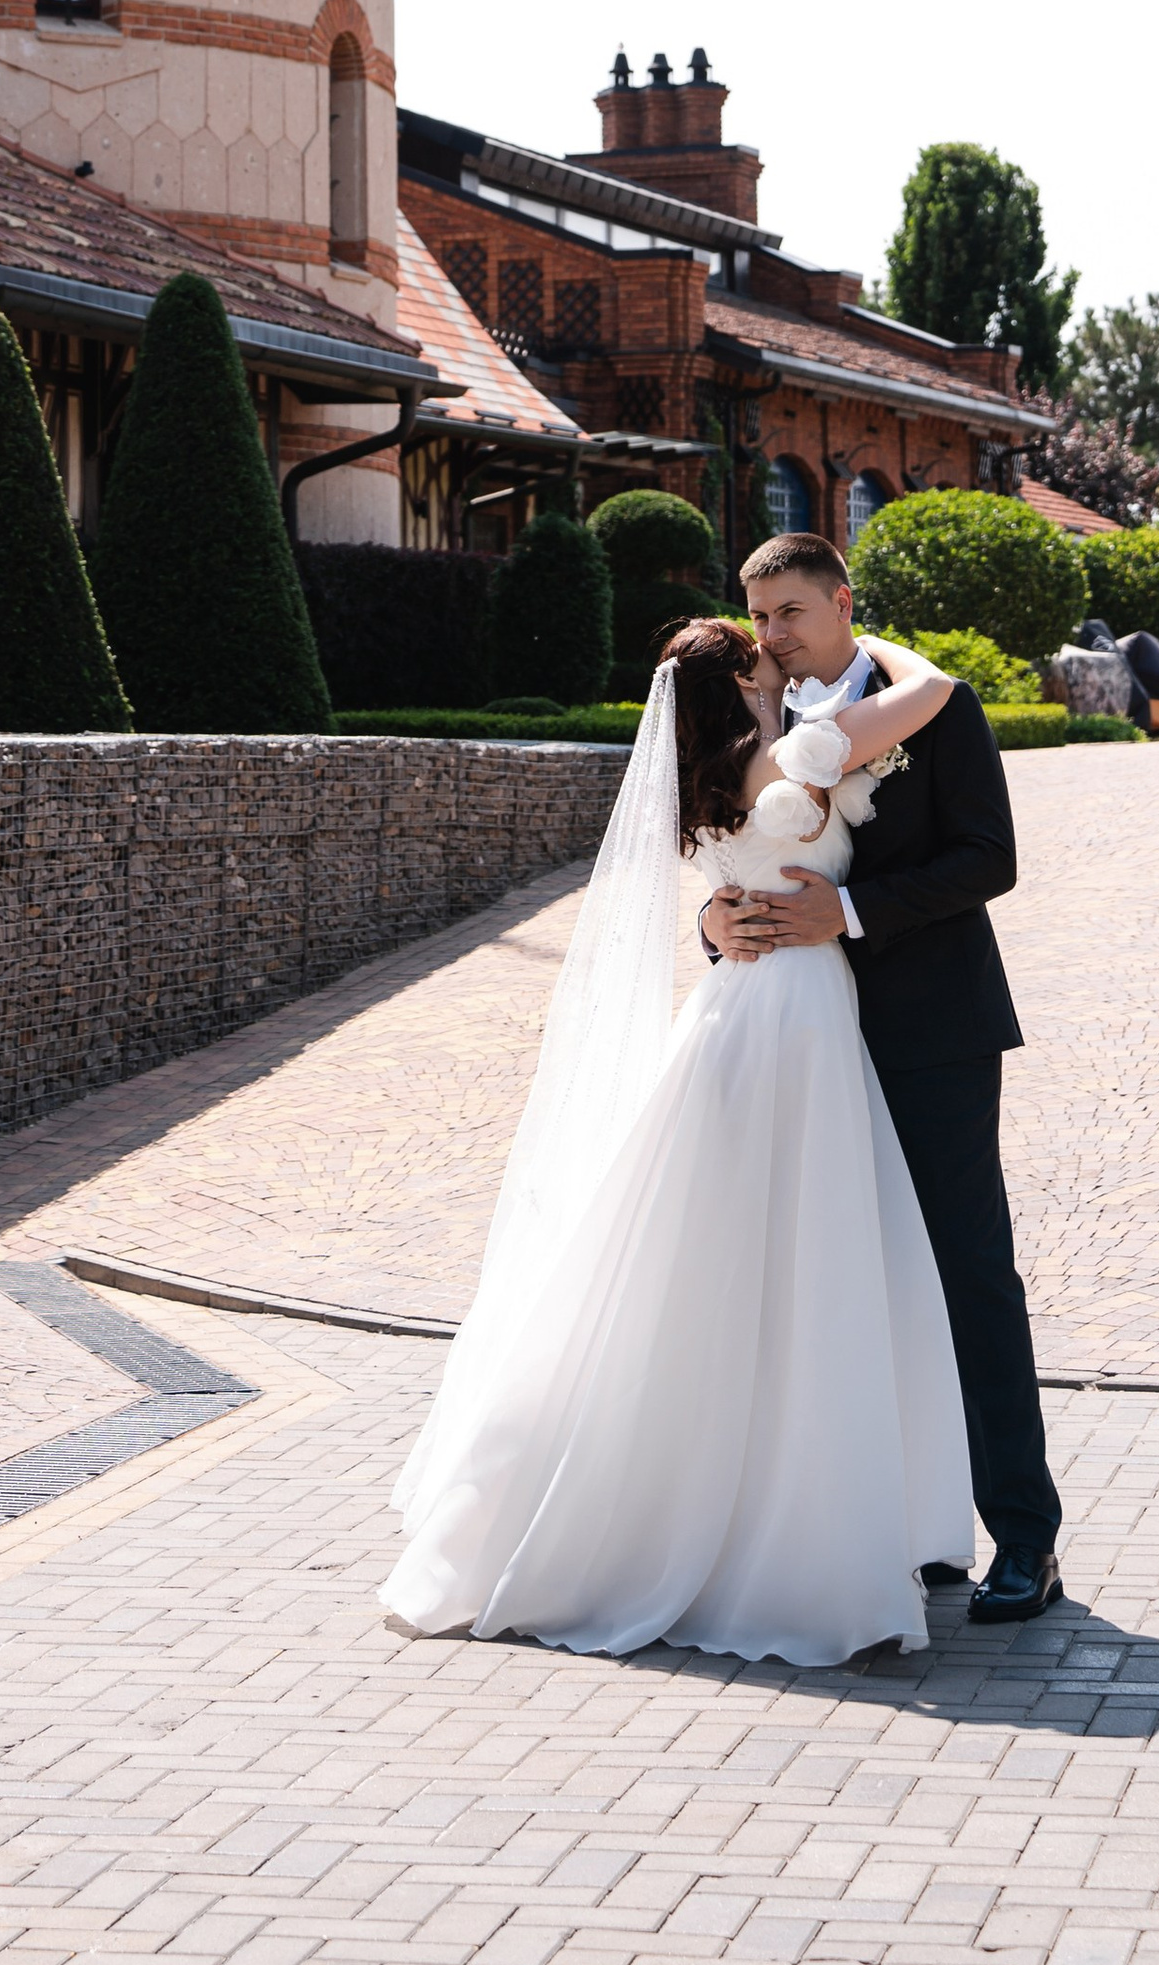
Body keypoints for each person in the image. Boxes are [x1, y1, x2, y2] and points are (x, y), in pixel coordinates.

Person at [382, 618, 973, 1665]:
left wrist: (715, 918)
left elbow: (727, 887)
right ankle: (773, 1517)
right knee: (798, 1244)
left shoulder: (703, 784)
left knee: (703, 1244)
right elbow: (934, 687)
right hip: (795, 1013)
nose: (779, 657)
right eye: (763, 651)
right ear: (740, 679)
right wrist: (876, 639)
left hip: (731, 1010)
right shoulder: (798, 753)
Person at [715, 530, 1063, 1623]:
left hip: (929, 1032)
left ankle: (1024, 1538)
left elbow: (988, 856)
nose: (771, 635)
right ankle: (907, 1527)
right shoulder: (753, 719)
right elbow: (720, 845)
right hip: (804, 1036)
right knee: (840, 1280)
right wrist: (717, 918)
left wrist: (853, 912)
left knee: (967, 1275)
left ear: (842, 602)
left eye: (790, 613)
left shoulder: (933, 708)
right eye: (759, 615)